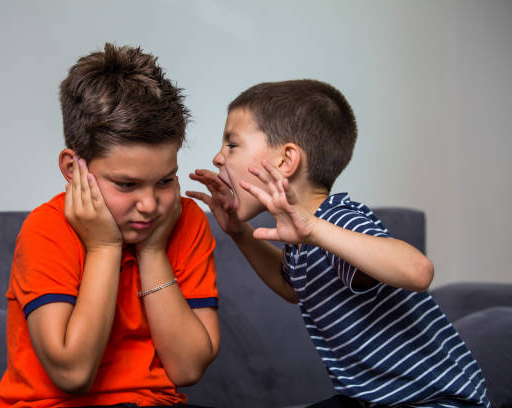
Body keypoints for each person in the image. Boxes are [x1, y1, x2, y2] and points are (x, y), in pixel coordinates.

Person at [187, 79, 489, 408]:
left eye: (232, 144)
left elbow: (418, 271)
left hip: (434, 401)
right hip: (368, 398)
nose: (218, 157)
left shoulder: (337, 220)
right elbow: (293, 288)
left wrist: (315, 230)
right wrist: (239, 232)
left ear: (285, 161)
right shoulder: (303, 235)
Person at [0, 43, 220, 408]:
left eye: (165, 181)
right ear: (73, 169)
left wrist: (153, 251)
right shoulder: (46, 229)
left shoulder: (185, 219)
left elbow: (188, 368)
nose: (149, 206)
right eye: (127, 185)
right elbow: (73, 374)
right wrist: (103, 248)